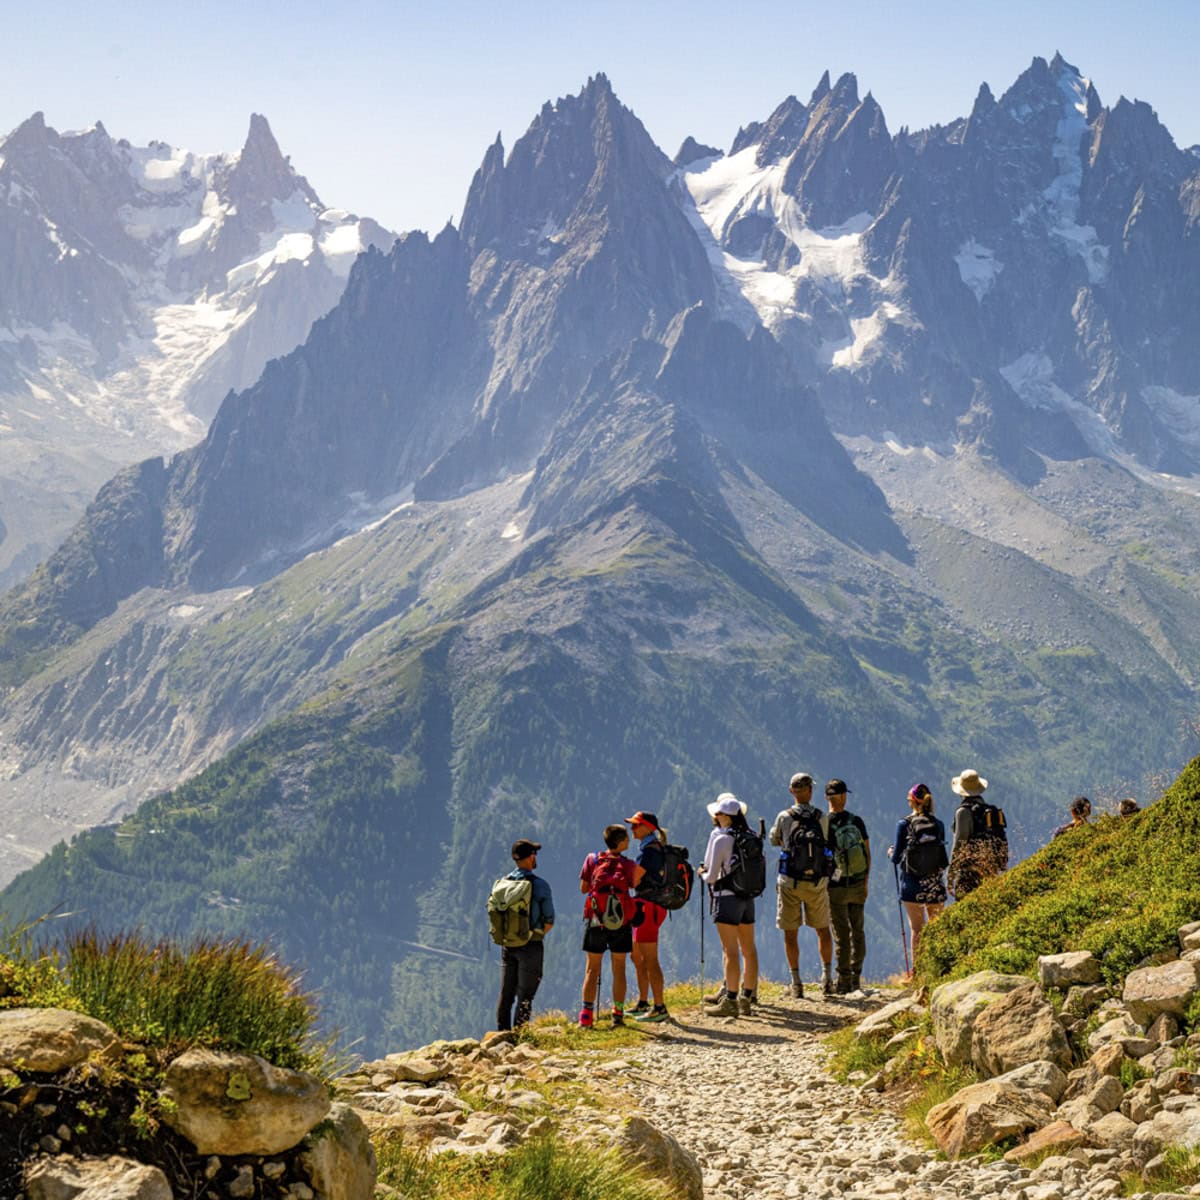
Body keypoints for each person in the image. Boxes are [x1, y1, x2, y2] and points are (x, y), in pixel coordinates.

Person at [769, 772, 835, 998]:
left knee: (790, 932)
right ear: (810, 791)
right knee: (823, 929)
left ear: (791, 791)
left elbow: (773, 839)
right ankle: (827, 978)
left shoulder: (784, 817)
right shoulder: (821, 817)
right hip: (817, 882)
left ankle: (796, 983)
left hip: (790, 881)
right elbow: (826, 841)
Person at [698, 793, 759, 1017]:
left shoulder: (722, 839)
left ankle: (730, 1001)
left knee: (729, 951)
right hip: (747, 897)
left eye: (719, 813)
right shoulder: (751, 836)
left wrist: (702, 874)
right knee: (749, 950)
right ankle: (747, 998)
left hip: (726, 898)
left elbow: (712, 876)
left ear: (725, 816)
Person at [578, 824, 643, 1028]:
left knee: (592, 969)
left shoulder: (592, 859)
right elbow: (636, 884)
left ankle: (586, 1017)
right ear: (621, 842)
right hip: (621, 922)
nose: (629, 841)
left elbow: (583, 888)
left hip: (596, 920)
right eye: (626, 839)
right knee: (619, 969)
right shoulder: (630, 865)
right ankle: (618, 1014)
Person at [495, 839, 555, 1031]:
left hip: (508, 944)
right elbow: (549, 920)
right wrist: (533, 936)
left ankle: (501, 1036)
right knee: (525, 995)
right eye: (534, 854)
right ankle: (520, 1037)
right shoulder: (540, 885)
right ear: (530, 858)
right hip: (531, 945)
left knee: (506, 994)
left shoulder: (503, 883)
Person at [888, 784, 948, 968]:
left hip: (911, 884)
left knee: (917, 929)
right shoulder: (938, 824)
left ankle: (918, 970)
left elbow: (896, 858)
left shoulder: (904, 824)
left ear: (913, 802)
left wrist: (890, 853)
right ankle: (939, 967)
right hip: (934, 883)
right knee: (937, 927)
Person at [825, 779, 870, 994]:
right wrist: (865, 882)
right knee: (858, 931)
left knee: (841, 934)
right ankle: (856, 977)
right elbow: (867, 854)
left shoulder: (824, 824)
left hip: (836, 886)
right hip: (858, 883)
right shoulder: (857, 821)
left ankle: (842, 982)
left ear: (827, 798)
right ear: (844, 796)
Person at [626, 811, 669, 1023]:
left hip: (647, 908)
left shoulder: (649, 852)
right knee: (637, 956)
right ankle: (643, 1002)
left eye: (635, 825)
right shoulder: (651, 847)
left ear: (647, 828)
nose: (632, 829)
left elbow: (633, 881)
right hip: (646, 907)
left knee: (650, 959)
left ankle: (659, 1007)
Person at [947, 768, 1007, 897]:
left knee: (965, 908)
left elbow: (959, 843)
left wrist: (950, 874)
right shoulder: (990, 811)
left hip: (970, 871)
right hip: (991, 868)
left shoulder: (963, 812)